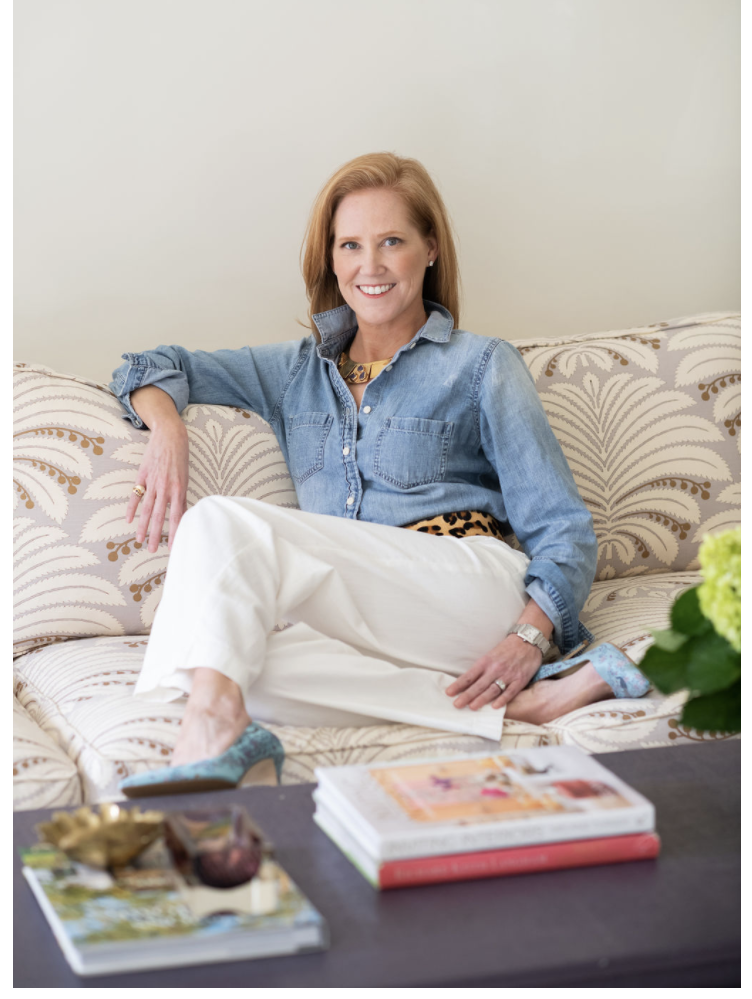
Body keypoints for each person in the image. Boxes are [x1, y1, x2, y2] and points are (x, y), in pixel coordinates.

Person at [111, 152, 649, 797]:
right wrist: (169, 430)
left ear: (429, 250)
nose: (370, 265)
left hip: (468, 589)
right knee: (215, 659)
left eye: (391, 241)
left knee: (217, 524)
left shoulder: (482, 365)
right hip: (368, 618)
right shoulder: (294, 372)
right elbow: (147, 365)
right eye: (351, 245)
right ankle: (524, 707)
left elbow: (563, 526)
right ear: (331, 261)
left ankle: (210, 730)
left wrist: (530, 637)